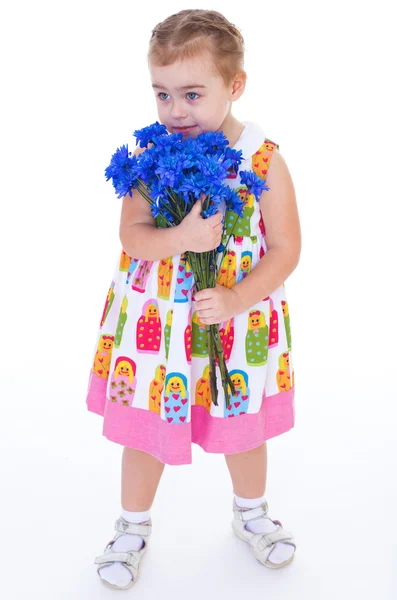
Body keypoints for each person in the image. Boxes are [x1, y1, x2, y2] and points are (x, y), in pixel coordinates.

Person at [86, 8, 301, 590]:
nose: (174, 111)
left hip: (234, 326)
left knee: (243, 427)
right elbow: (132, 236)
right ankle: (132, 527)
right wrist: (180, 240)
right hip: (155, 329)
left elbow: (285, 250)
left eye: (191, 94)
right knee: (145, 431)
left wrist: (234, 298)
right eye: (161, 95)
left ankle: (250, 515)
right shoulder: (151, 159)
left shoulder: (263, 159)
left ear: (235, 87)